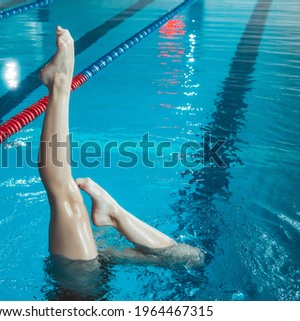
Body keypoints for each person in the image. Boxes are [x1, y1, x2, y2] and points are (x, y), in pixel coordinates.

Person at [38, 26, 204, 270]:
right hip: (84, 283)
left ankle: (60, 84)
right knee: (191, 257)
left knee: (66, 195)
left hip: (82, 285)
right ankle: (113, 213)